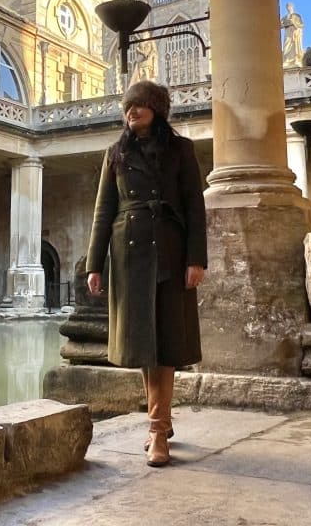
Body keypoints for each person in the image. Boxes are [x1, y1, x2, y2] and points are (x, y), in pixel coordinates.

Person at [85, 80, 207, 467]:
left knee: (166, 340)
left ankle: (157, 429)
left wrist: (196, 259)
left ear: (156, 109)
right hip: (128, 255)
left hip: (170, 250)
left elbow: (194, 207)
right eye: (128, 106)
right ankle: (160, 420)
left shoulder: (181, 150)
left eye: (139, 105)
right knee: (143, 342)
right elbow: (103, 211)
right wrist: (94, 264)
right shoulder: (114, 154)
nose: (131, 111)